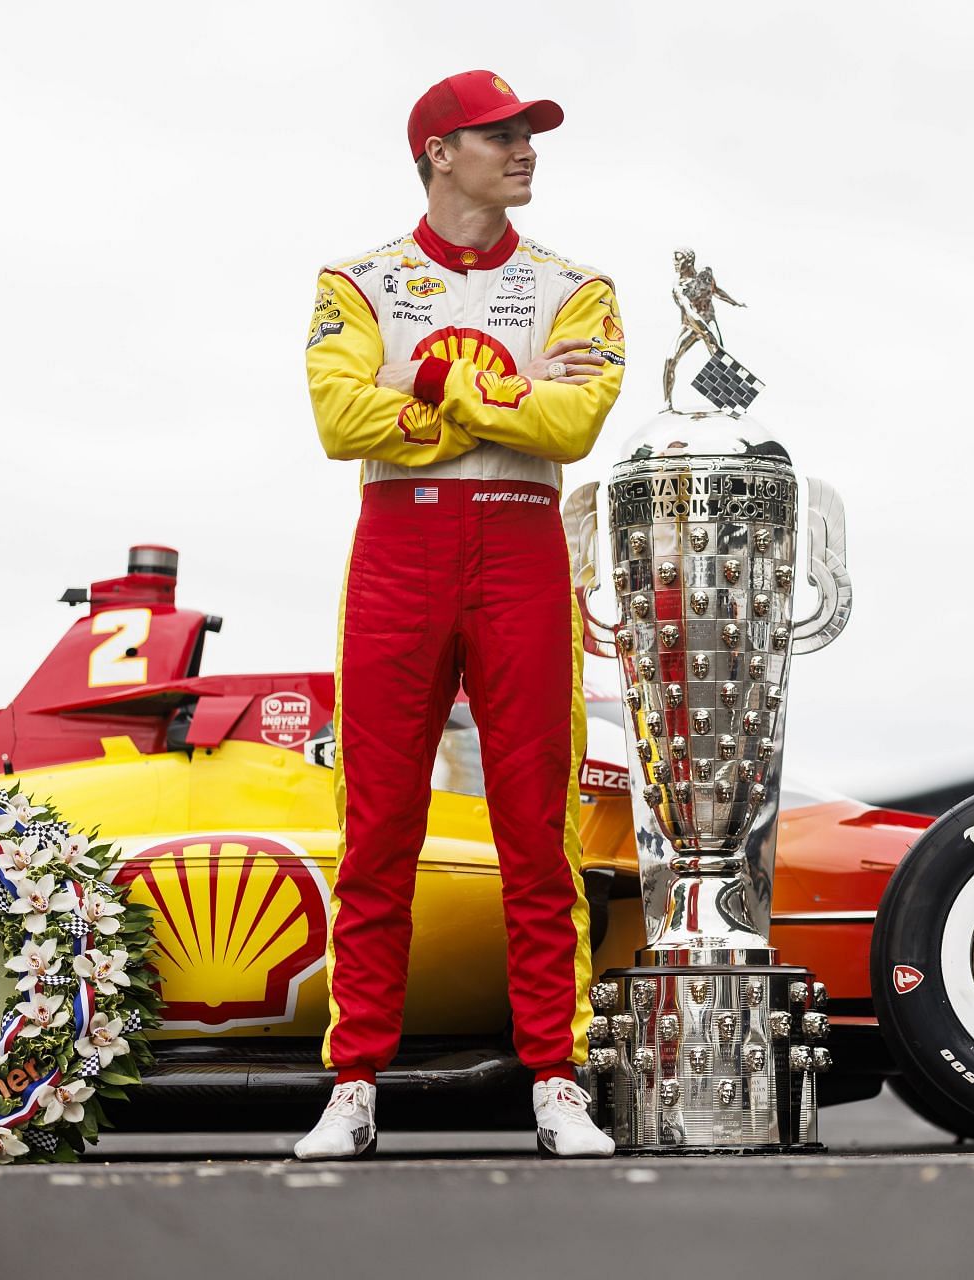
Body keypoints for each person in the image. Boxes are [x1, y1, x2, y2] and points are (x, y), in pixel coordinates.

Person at [295, 70, 625, 1160]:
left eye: (530, 133)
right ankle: (353, 1082)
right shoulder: (358, 279)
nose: (527, 149)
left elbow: (571, 423)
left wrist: (434, 395)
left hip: (523, 543)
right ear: (440, 152)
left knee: (536, 826)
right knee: (378, 824)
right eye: (503, 134)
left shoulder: (578, 286)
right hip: (398, 547)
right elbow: (343, 418)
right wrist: (497, 405)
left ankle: (556, 1074)